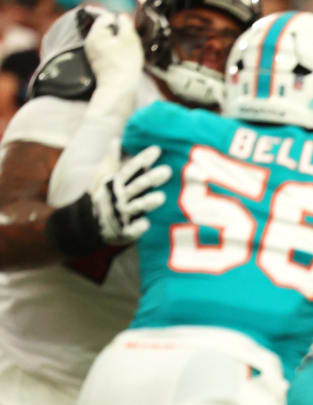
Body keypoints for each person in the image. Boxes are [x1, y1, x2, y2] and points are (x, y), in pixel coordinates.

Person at [76, 11, 313, 405]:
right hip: (235, 374)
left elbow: (76, 189)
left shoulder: (168, 128)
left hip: (125, 364)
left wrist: (116, 81)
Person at [0, 1, 260, 404]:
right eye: (197, 28)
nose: (213, 47)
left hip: (156, 383)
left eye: (229, 39)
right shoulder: (90, 91)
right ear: (159, 26)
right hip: (38, 373)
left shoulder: (244, 127)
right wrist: (83, 223)